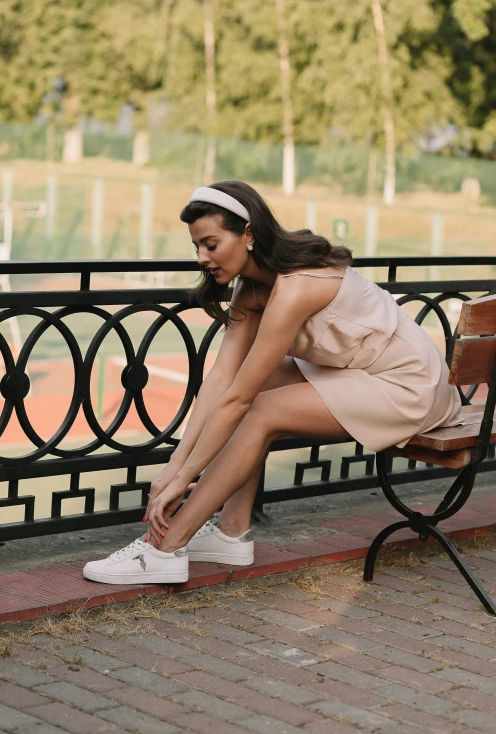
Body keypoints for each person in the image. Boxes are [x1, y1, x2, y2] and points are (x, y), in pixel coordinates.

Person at [83, 180, 464, 585]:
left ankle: (165, 547)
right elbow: (221, 380)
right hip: (362, 372)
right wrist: (175, 464)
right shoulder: (251, 288)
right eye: (196, 247)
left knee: (261, 408)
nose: (202, 258)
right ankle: (231, 532)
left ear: (248, 234)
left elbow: (239, 400)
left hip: (409, 386)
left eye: (211, 244)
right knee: (260, 390)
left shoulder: (297, 286)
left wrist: (182, 481)